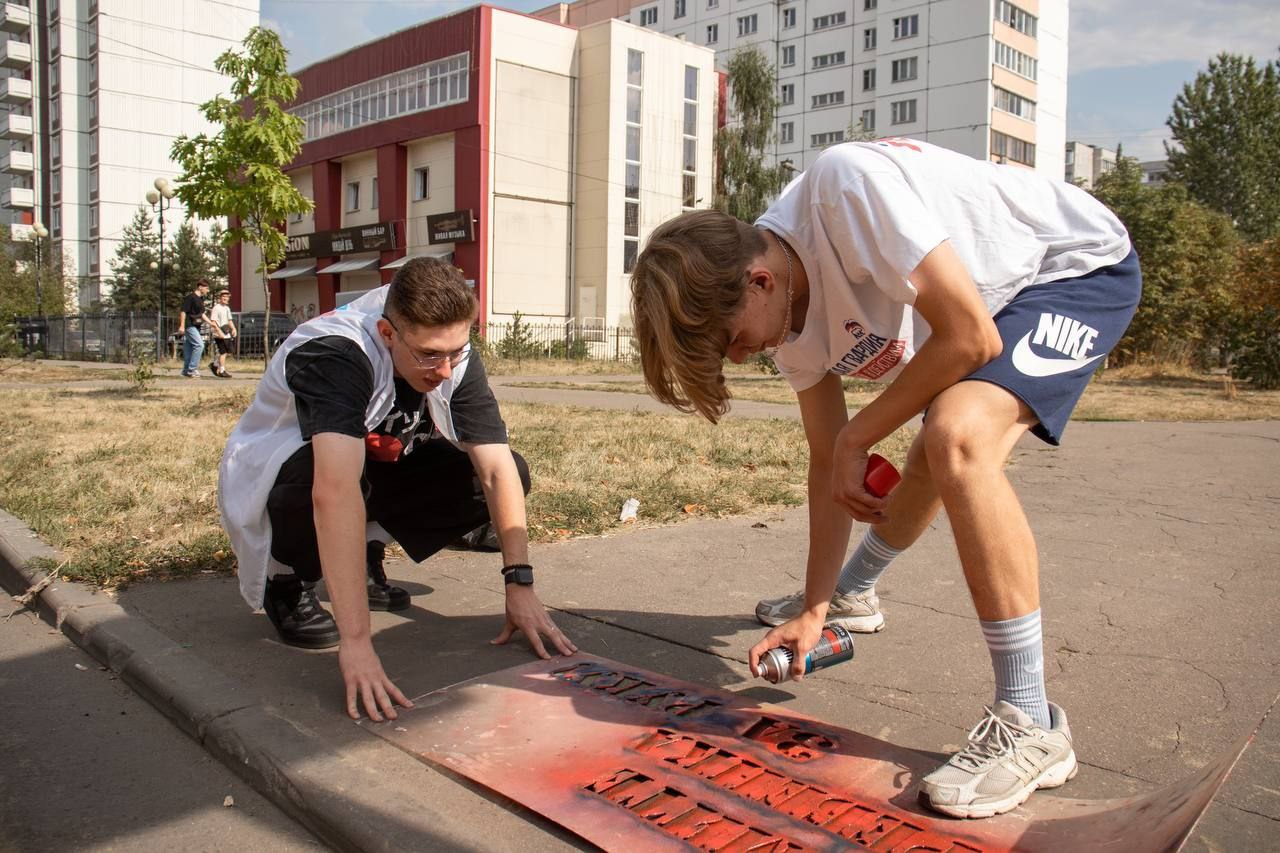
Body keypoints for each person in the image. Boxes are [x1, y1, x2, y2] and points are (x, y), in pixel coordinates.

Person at [629, 138, 1140, 819]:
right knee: (936, 446)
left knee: (955, 436)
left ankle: (1031, 719)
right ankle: (852, 594)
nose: (746, 355)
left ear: (760, 279)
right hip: (988, 302)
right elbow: (824, 463)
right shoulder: (783, 317)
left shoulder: (844, 192)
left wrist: (859, 433)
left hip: (1072, 269)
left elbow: (970, 338)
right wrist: (813, 609)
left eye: (734, 341)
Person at [219, 258, 577, 722]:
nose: (445, 370)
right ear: (388, 334)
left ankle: (367, 549)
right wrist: (357, 642)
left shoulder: (448, 347)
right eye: (429, 355)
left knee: (507, 473)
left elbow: (495, 468)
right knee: (325, 480)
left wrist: (520, 583)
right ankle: (285, 577)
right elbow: (334, 491)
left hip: (376, 463)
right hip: (290, 474)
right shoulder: (335, 352)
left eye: (457, 352)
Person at [178, 279, 211, 378]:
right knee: (199, 345)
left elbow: (202, 314)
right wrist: (182, 325)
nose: (207, 290)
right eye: (206, 288)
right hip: (189, 325)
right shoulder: (191, 297)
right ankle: (192, 369)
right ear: (200, 287)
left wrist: (211, 323)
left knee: (189, 347)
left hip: (196, 326)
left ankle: (186, 370)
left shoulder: (201, 299)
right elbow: (183, 311)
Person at [209, 289, 237, 378]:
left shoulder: (227, 308)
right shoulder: (216, 308)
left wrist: (233, 329)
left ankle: (215, 364)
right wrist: (218, 332)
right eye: (223, 296)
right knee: (223, 352)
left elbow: (229, 320)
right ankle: (222, 370)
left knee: (228, 352)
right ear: (220, 298)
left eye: (227, 297)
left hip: (226, 332)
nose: (225, 298)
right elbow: (213, 321)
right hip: (219, 333)